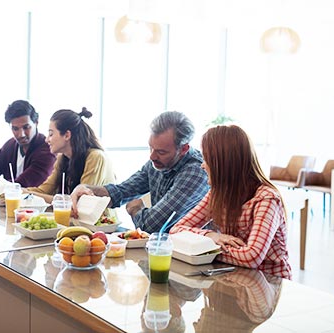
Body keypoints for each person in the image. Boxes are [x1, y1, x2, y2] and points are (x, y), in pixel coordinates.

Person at [170, 124, 292, 279]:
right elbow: (176, 230)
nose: (202, 165)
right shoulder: (219, 193)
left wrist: (203, 250)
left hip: (270, 285)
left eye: (207, 160)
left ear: (224, 164)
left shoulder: (266, 199)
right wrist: (211, 236)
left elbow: (251, 257)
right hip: (234, 278)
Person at [71, 111, 209, 234]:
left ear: (184, 149)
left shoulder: (195, 171)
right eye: (151, 148)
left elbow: (152, 226)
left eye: (161, 152)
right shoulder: (157, 162)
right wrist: (86, 189)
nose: (152, 157)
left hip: (194, 255)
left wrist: (135, 209)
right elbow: (121, 191)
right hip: (164, 249)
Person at [24, 107, 115, 203]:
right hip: (75, 217)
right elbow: (44, 190)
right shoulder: (63, 158)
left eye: (51, 134)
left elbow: (80, 202)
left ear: (67, 135)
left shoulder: (96, 157)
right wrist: (19, 191)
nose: (47, 140)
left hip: (100, 218)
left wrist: (28, 194)